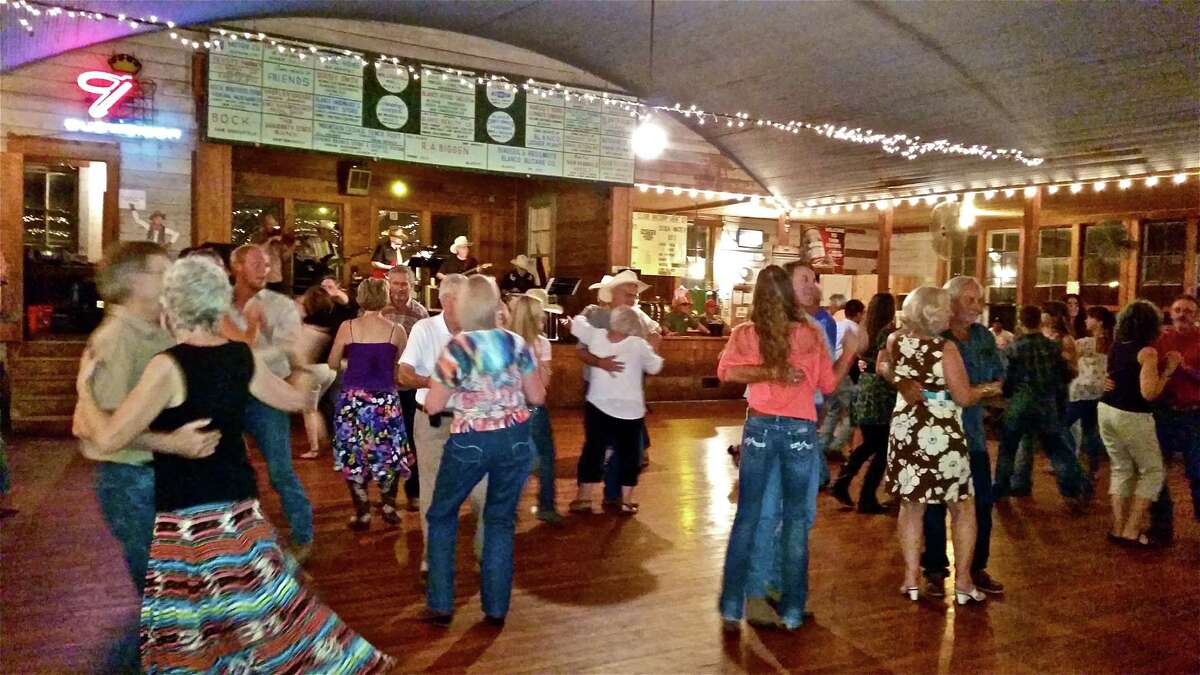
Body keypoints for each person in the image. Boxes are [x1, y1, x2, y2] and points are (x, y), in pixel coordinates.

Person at [73, 256, 392, 672]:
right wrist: (300, 361)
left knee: (192, 624)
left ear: (173, 306)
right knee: (259, 614)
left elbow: (109, 436)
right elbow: (298, 400)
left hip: (190, 518)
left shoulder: (168, 367)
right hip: (240, 511)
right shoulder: (241, 357)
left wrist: (84, 391)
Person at [74, 242, 221, 670]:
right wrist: (173, 443)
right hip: (132, 483)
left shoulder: (157, 328)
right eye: (163, 272)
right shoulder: (116, 337)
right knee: (164, 595)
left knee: (177, 589)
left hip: (164, 478)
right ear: (135, 280)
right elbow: (98, 428)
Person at [716, 265, 848, 631]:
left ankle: (733, 604)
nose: (813, 286)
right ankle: (791, 606)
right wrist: (851, 351)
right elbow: (829, 383)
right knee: (795, 519)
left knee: (750, 517)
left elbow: (726, 372)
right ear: (789, 293)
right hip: (797, 432)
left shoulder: (745, 333)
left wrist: (766, 372)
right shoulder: (809, 333)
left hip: (758, 426)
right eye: (804, 281)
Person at [422, 275, 545, 625]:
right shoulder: (517, 343)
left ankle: (441, 604)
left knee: (442, 515)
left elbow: (433, 405)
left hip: (471, 440)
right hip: (516, 438)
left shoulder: (458, 348)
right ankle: (495, 609)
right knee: (500, 521)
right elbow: (537, 396)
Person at [879, 286, 1001, 605]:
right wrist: (989, 389)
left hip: (906, 427)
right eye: (946, 307)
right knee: (962, 506)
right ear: (932, 312)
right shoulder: (944, 348)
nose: (950, 312)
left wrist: (901, 382)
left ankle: (911, 578)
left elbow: (883, 365)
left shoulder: (896, 340)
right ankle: (963, 582)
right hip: (941, 430)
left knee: (911, 506)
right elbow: (962, 396)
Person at [224, 244, 314, 561]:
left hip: (268, 393)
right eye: (256, 263)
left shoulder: (280, 305)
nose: (264, 269)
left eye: (267, 264)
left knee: (280, 470)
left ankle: (303, 535)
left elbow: (288, 349)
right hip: (226, 395)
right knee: (229, 470)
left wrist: (248, 340)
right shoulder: (216, 303)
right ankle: (239, 540)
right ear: (235, 266)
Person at [398, 274, 486, 577]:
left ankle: (483, 553)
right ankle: (432, 557)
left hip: (471, 422)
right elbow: (403, 375)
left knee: (482, 492)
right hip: (432, 422)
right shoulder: (425, 329)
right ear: (446, 301)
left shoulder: (478, 332)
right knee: (433, 493)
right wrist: (435, 381)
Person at [327, 278, 411, 530]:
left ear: (361, 298)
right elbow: (403, 367)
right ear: (384, 298)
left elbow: (332, 363)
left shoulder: (348, 326)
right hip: (385, 400)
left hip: (353, 400)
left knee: (354, 453)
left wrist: (350, 364)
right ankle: (388, 505)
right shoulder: (397, 330)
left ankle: (362, 511)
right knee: (389, 452)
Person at [993, 305, 1091, 510]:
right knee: (1056, 450)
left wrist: (1008, 393)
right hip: (1046, 404)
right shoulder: (1053, 347)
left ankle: (1004, 489)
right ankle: (1072, 493)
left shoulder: (1013, 348)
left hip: (1020, 404)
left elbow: (1008, 382)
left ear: (1020, 322)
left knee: (1009, 448)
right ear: (1040, 321)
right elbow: (1066, 375)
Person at [1098, 300, 1178, 548]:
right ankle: (1132, 530)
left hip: (1107, 410)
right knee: (1152, 471)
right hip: (1133, 414)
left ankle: (1119, 527)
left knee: (1121, 468)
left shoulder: (1116, 346)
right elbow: (1149, 393)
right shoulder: (1148, 352)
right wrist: (1168, 370)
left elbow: (1113, 378)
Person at [570, 306, 664, 514]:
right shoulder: (639, 345)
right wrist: (654, 347)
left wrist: (585, 313)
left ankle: (584, 498)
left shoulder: (597, 336)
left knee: (594, 450)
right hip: (630, 411)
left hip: (597, 404)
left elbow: (577, 325)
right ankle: (626, 500)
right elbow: (655, 367)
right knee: (629, 455)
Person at [832, 293, 896, 514]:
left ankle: (843, 482)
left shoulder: (864, 331)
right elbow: (884, 365)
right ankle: (866, 496)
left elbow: (859, 360)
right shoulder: (888, 333)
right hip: (882, 394)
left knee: (871, 443)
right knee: (882, 446)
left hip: (864, 389)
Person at [509, 290, 564, 523]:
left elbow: (541, 385)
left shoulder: (515, 342)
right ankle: (542, 505)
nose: (544, 320)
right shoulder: (525, 344)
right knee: (538, 457)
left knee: (532, 457)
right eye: (540, 316)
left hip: (521, 408)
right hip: (524, 408)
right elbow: (541, 385)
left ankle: (522, 507)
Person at [1149, 295, 1200, 542]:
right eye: (1178, 310)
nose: (1182, 314)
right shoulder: (1161, 339)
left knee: (1198, 473)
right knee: (1156, 471)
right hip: (1164, 413)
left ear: (1196, 314)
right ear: (1170, 313)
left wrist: (1184, 369)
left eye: (1188, 311)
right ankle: (1161, 528)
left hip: (1194, 413)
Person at [382, 265, 430, 511]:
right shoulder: (379, 310)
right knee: (388, 441)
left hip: (409, 387)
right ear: (388, 283)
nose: (400, 288)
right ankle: (388, 494)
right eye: (396, 283)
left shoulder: (420, 313)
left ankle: (414, 492)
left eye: (405, 284)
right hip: (384, 386)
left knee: (413, 440)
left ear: (412, 285)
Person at [1066, 305, 1114, 479]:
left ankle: (1067, 463)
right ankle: (1092, 468)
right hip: (1099, 393)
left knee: (1062, 425)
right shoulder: (1112, 343)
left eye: (1089, 317)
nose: (1086, 320)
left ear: (1099, 321)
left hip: (1081, 392)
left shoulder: (1087, 343)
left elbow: (1067, 353)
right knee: (1090, 430)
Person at [818, 298, 864, 461]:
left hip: (828, 371)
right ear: (859, 314)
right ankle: (835, 446)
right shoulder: (856, 329)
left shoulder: (838, 324)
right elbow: (853, 356)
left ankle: (822, 445)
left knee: (833, 410)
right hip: (842, 374)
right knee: (853, 413)